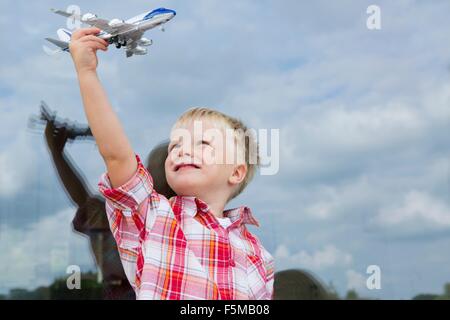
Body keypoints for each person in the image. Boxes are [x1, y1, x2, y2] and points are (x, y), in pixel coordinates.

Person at [68, 27, 274, 300]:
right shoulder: (153, 216)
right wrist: (87, 73)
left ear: (236, 172)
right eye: (176, 145)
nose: (181, 151)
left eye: (203, 143)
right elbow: (117, 155)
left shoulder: (258, 253)